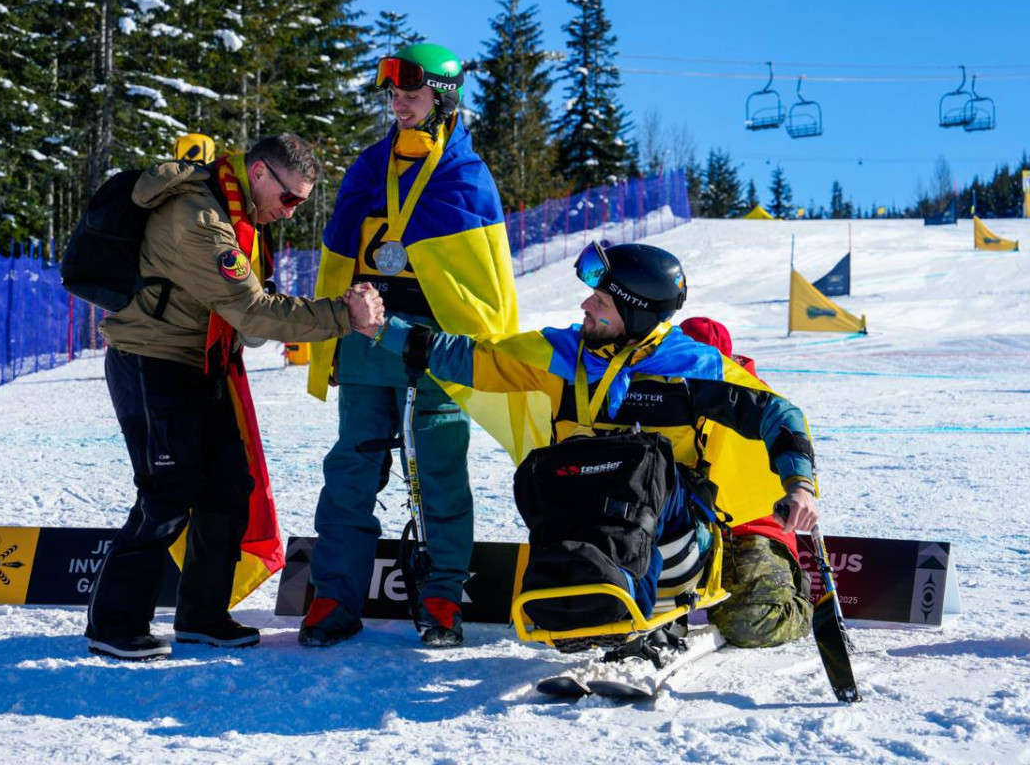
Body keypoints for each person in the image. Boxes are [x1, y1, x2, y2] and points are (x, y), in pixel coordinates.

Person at [356, 241, 819, 642]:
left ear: (636, 310)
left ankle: (652, 603)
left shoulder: (693, 369)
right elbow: (466, 357)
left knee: (647, 475)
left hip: (674, 539)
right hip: (589, 530)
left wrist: (799, 484)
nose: (585, 307)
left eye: (600, 300)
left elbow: (780, 415)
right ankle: (586, 594)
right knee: (551, 474)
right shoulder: (560, 354)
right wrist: (380, 329)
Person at [87, 134, 384, 661]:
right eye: (288, 198)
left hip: (200, 364)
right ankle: (113, 623)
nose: (289, 212)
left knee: (228, 486)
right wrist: (344, 314)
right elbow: (254, 312)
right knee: (167, 493)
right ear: (262, 173)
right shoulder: (201, 218)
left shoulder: (235, 212)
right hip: (152, 363)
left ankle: (202, 616)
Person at [301, 43, 529, 648]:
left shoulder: (466, 177)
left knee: (439, 473)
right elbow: (339, 255)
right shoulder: (368, 165)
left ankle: (441, 597)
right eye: (394, 93)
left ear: (443, 97)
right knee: (352, 468)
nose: (398, 103)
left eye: (412, 92)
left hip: (438, 348)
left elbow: (483, 282)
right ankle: (333, 597)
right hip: (365, 343)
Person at [678, 317, 813, 648]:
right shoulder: (659, 390)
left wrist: (800, 487)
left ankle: (798, 602)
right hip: (678, 525)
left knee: (749, 623)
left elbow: (788, 433)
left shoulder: (752, 398)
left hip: (746, 527)